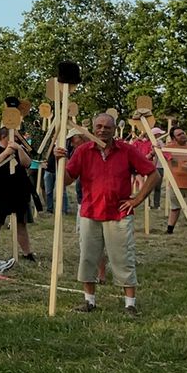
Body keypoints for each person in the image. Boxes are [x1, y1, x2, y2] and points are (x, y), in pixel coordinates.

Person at [55, 113, 157, 316]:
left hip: (118, 213)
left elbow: (154, 174)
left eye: (107, 127)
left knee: (123, 257)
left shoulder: (127, 150)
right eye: (99, 126)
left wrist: (137, 200)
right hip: (90, 212)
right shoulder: (83, 151)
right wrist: (60, 161)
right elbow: (66, 180)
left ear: (114, 130)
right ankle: (89, 301)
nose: (102, 130)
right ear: (93, 129)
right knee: (88, 257)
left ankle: (130, 304)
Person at [0, 128, 35, 261]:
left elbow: (27, 163)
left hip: (19, 191)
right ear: (4, 136)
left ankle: (27, 253)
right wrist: (6, 153)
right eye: (14, 136)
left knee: (21, 223)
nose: (17, 138)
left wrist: (19, 149)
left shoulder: (19, 148)